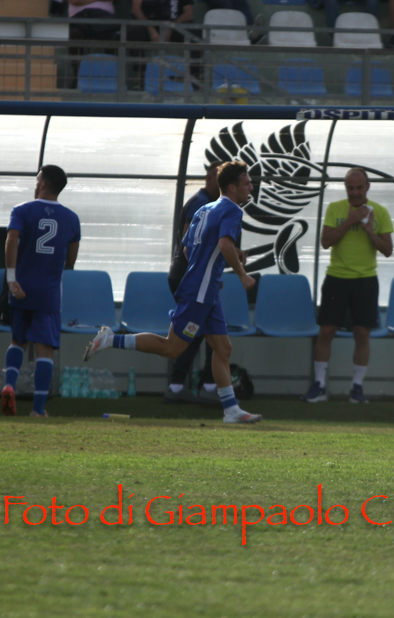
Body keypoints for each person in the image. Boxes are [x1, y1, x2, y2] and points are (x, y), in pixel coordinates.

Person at [84, 160, 263, 425]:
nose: (251, 187)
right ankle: (111, 339)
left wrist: (207, 272)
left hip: (205, 291)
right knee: (172, 348)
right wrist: (241, 274)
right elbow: (225, 244)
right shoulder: (233, 211)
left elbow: (188, 249)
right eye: (247, 183)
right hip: (200, 292)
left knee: (223, 348)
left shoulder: (204, 209)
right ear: (232, 187)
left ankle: (230, 410)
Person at [301, 168, 393, 405]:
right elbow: (325, 242)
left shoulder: (380, 211)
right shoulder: (335, 208)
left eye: (359, 187)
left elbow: (387, 250)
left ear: (367, 187)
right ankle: (319, 386)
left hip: (366, 280)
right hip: (336, 278)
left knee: (362, 334)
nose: (355, 192)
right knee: (326, 332)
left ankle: (357, 389)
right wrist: (350, 221)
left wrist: (369, 231)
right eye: (350, 188)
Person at [0, 165, 80, 418]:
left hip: (21, 287)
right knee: (45, 349)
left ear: (43, 184)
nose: (35, 184)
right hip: (48, 293)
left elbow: (11, 240)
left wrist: (11, 278)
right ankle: (37, 410)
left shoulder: (22, 210)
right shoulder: (71, 218)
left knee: (18, 342)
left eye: (37, 180)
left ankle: (9, 385)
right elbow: (71, 260)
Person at [161, 163, 221, 403]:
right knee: (200, 331)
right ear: (209, 178)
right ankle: (201, 386)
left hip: (193, 277)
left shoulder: (209, 203)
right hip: (189, 277)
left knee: (201, 331)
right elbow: (190, 244)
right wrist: (202, 275)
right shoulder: (201, 204)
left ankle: (187, 386)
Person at [127, 0, 195, 90]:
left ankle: (195, 79)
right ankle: (142, 76)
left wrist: (171, 27)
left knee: (196, 34)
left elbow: (188, 13)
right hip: (149, 23)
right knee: (132, 32)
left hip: (173, 24)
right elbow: (136, 9)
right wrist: (151, 30)